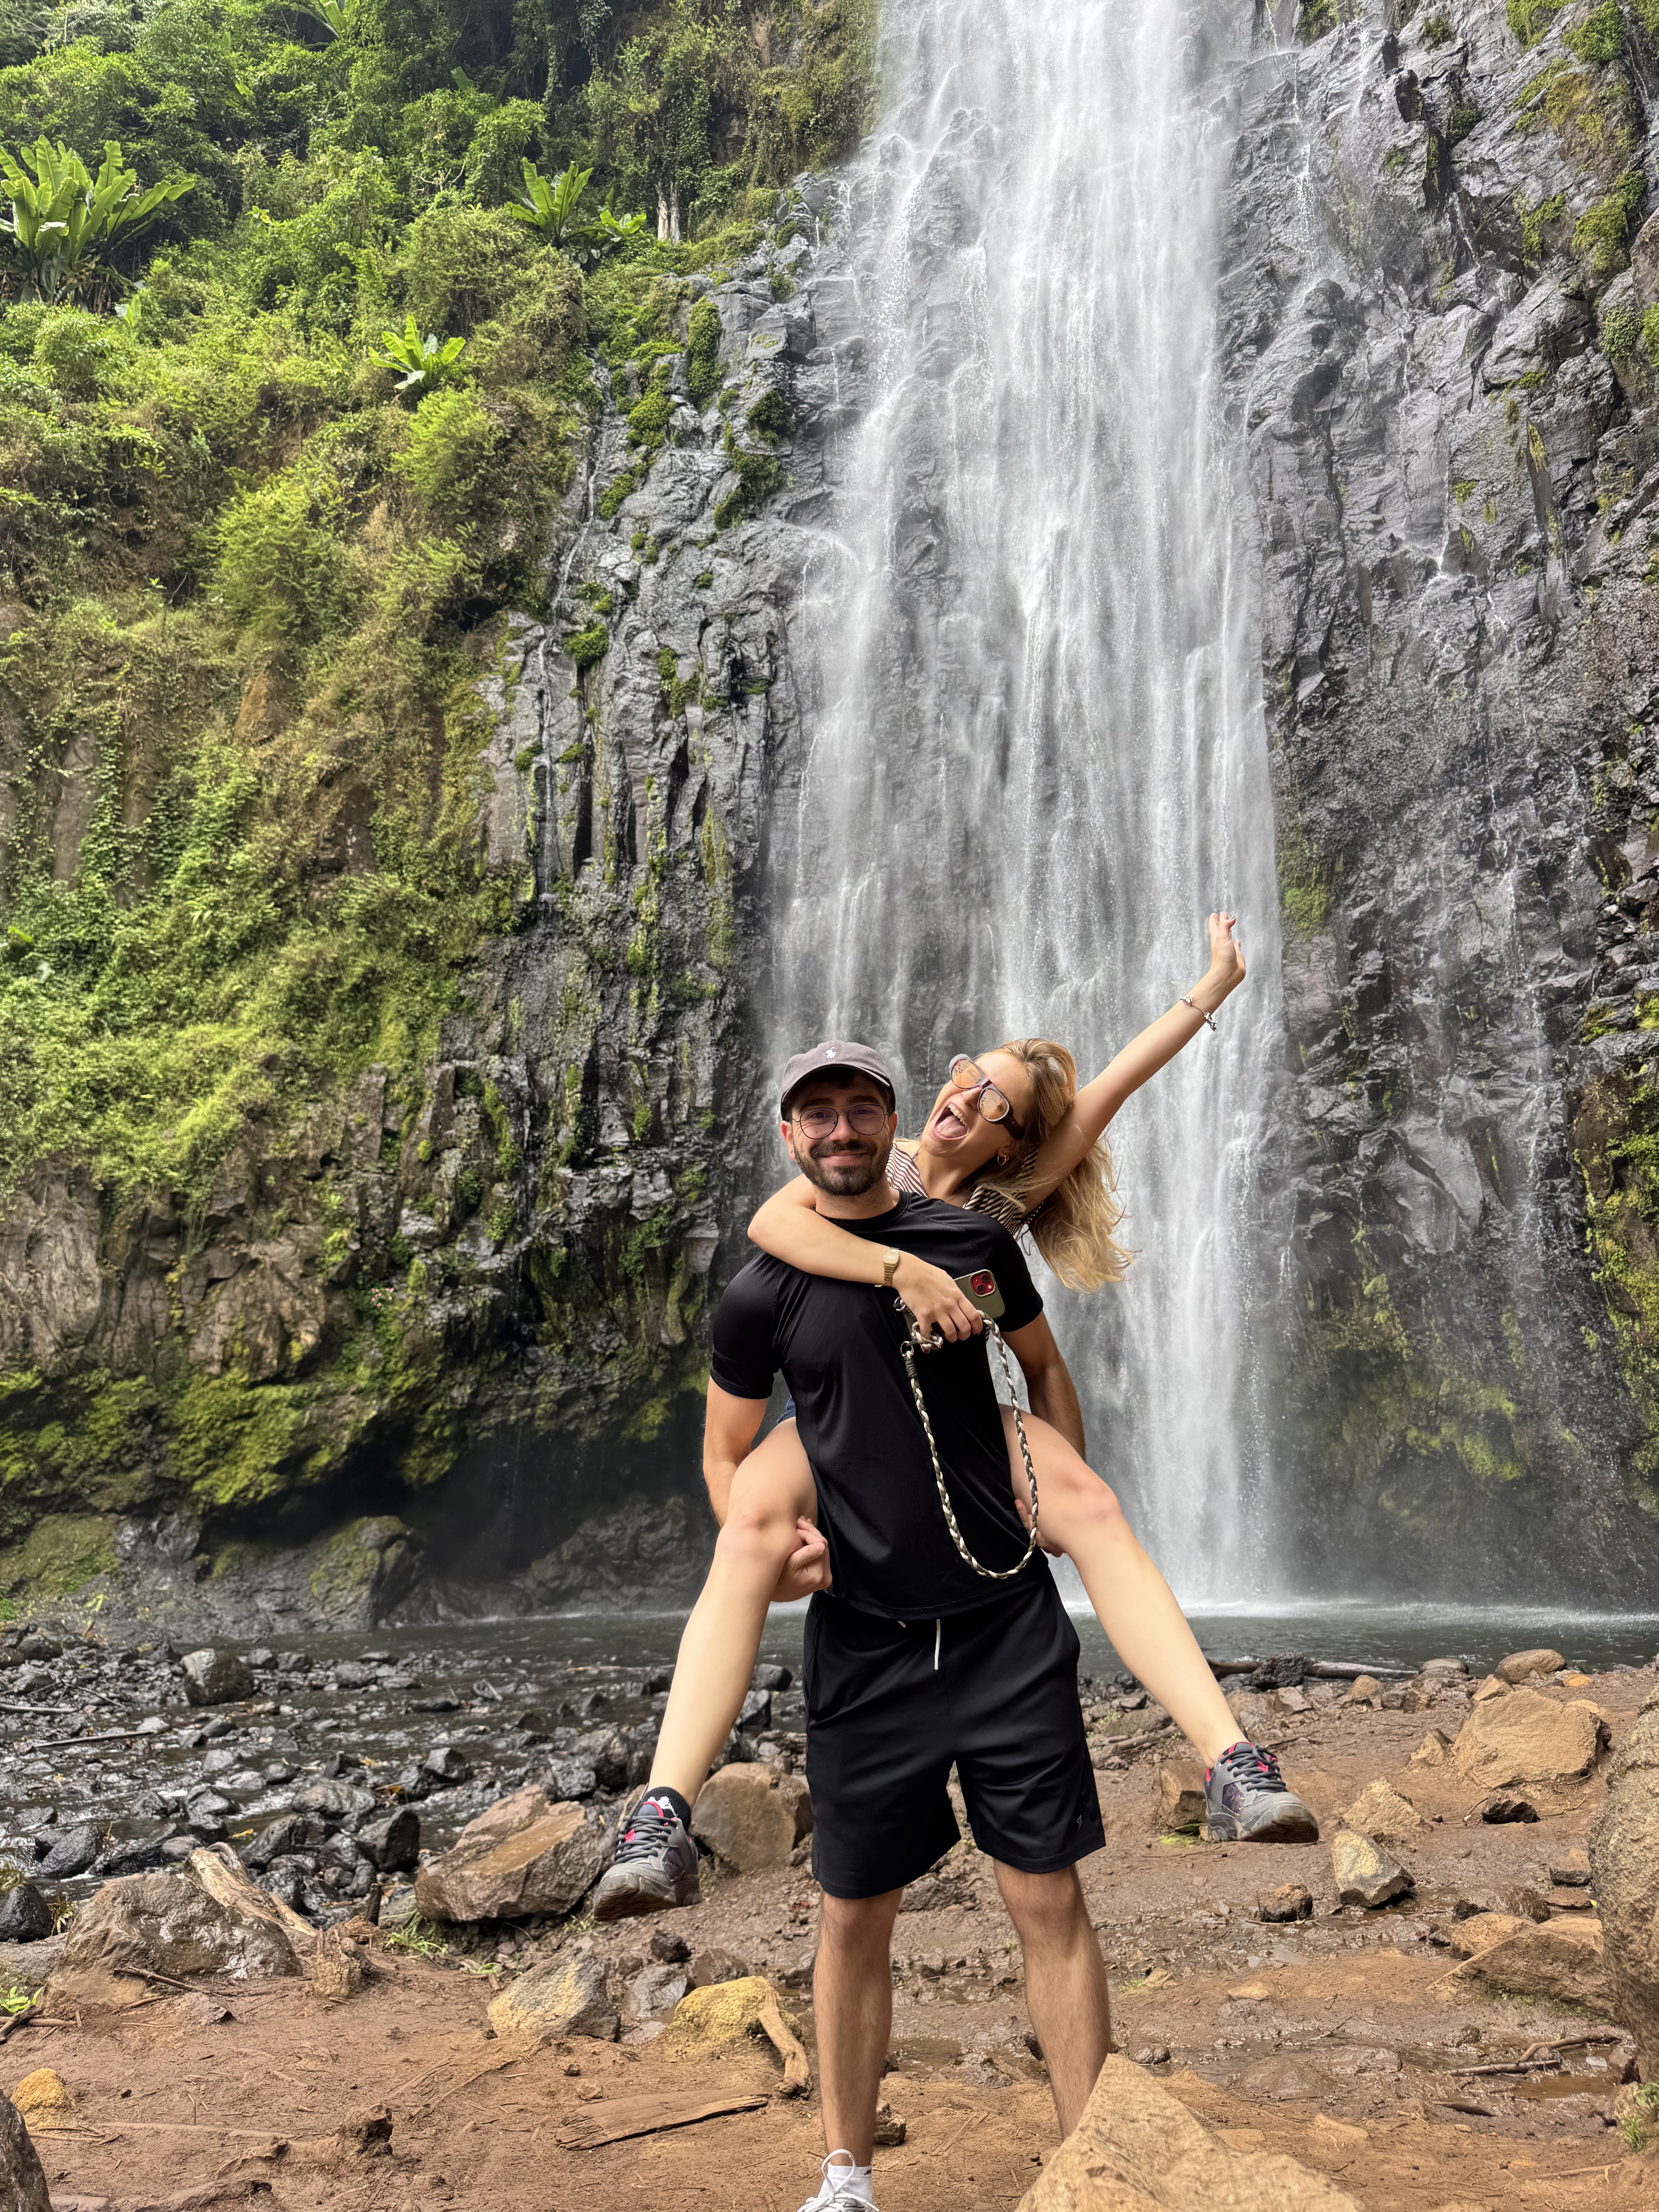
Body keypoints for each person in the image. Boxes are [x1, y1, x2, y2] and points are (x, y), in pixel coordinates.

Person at [594, 917, 1316, 1931]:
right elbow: (767, 1228)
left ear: (1014, 1145)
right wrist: (905, 1267)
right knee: (753, 1513)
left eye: (998, 1108)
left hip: (963, 1417)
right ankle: (661, 1813)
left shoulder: (994, 1206)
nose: (969, 1104)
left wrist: (1213, 989)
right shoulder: (845, 1166)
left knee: (1091, 1504)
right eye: (969, 1080)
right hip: (844, 1420)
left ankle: (1231, 1761)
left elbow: (1110, 1094)